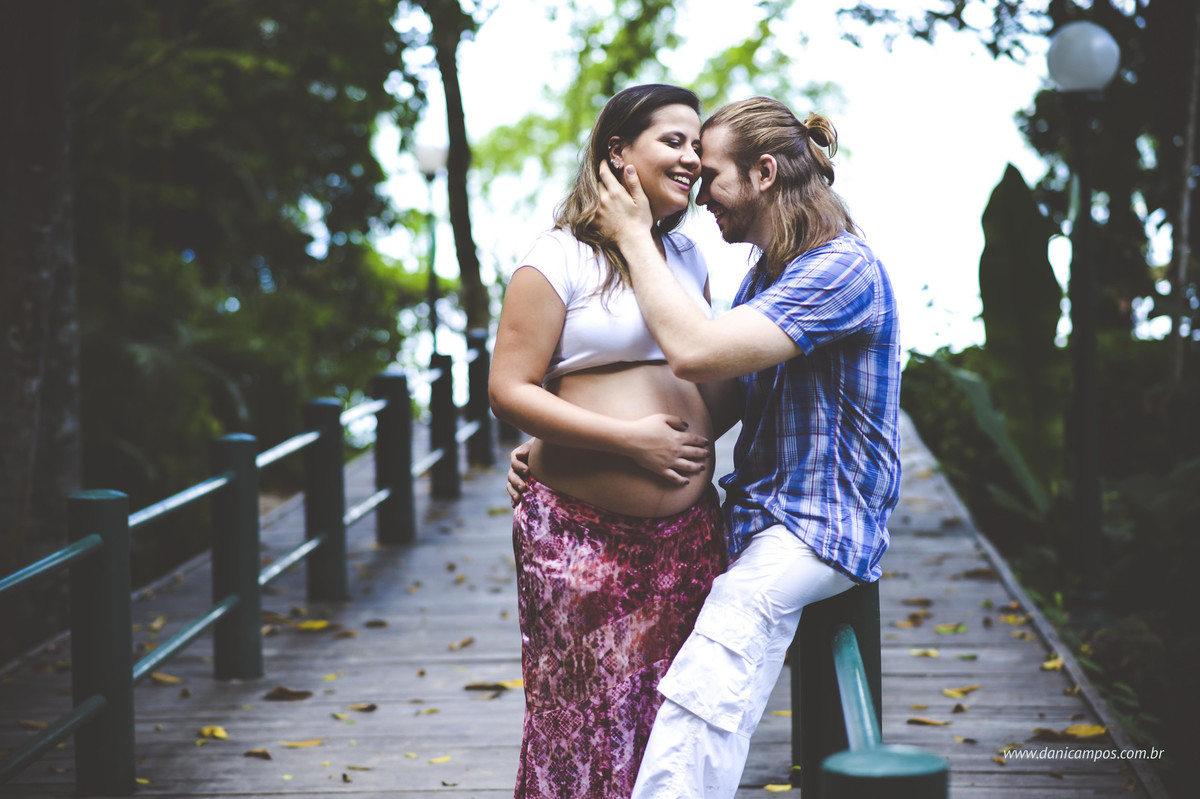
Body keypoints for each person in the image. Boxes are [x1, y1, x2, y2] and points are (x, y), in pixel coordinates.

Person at [509, 96, 901, 797]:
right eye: (681, 150)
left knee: (711, 669)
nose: (698, 182)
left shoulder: (840, 270)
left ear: (764, 173)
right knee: (612, 709)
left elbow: (694, 356)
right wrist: (555, 454)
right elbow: (730, 397)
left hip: (815, 524)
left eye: (710, 168)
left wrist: (633, 236)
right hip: (746, 517)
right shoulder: (769, 274)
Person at [488, 84, 732, 799]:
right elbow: (509, 388)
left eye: (697, 143)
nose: (693, 157)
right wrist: (627, 441)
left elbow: (708, 383)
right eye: (675, 141)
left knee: (669, 714)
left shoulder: (687, 258)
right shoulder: (556, 258)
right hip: (579, 536)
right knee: (582, 717)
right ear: (617, 151)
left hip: (686, 537)